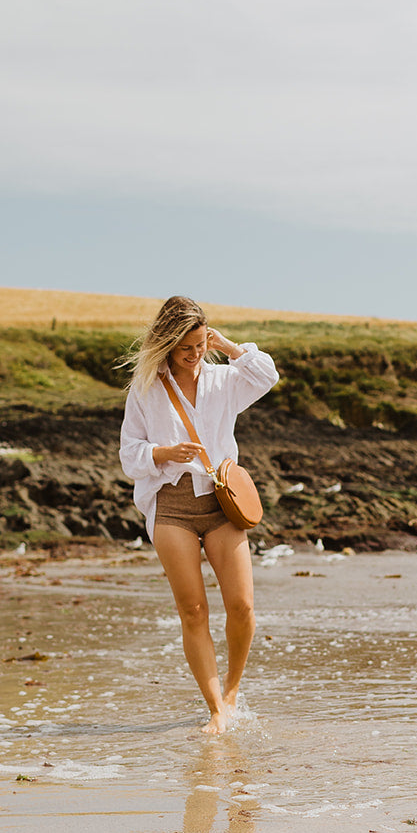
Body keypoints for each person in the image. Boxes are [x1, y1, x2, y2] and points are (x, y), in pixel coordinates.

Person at [119, 296, 279, 733]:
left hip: (221, 504)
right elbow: (128, 454)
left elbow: (268, 375)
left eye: (198, 346)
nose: (193, 356)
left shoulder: (224, 380)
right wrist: (163, 452)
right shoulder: (147, 389)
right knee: (193, 610)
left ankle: (231, 690)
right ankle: (215, 709)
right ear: (167, 344)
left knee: (242, 606)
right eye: (184, 348)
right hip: (171, 506)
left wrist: (227, 345)